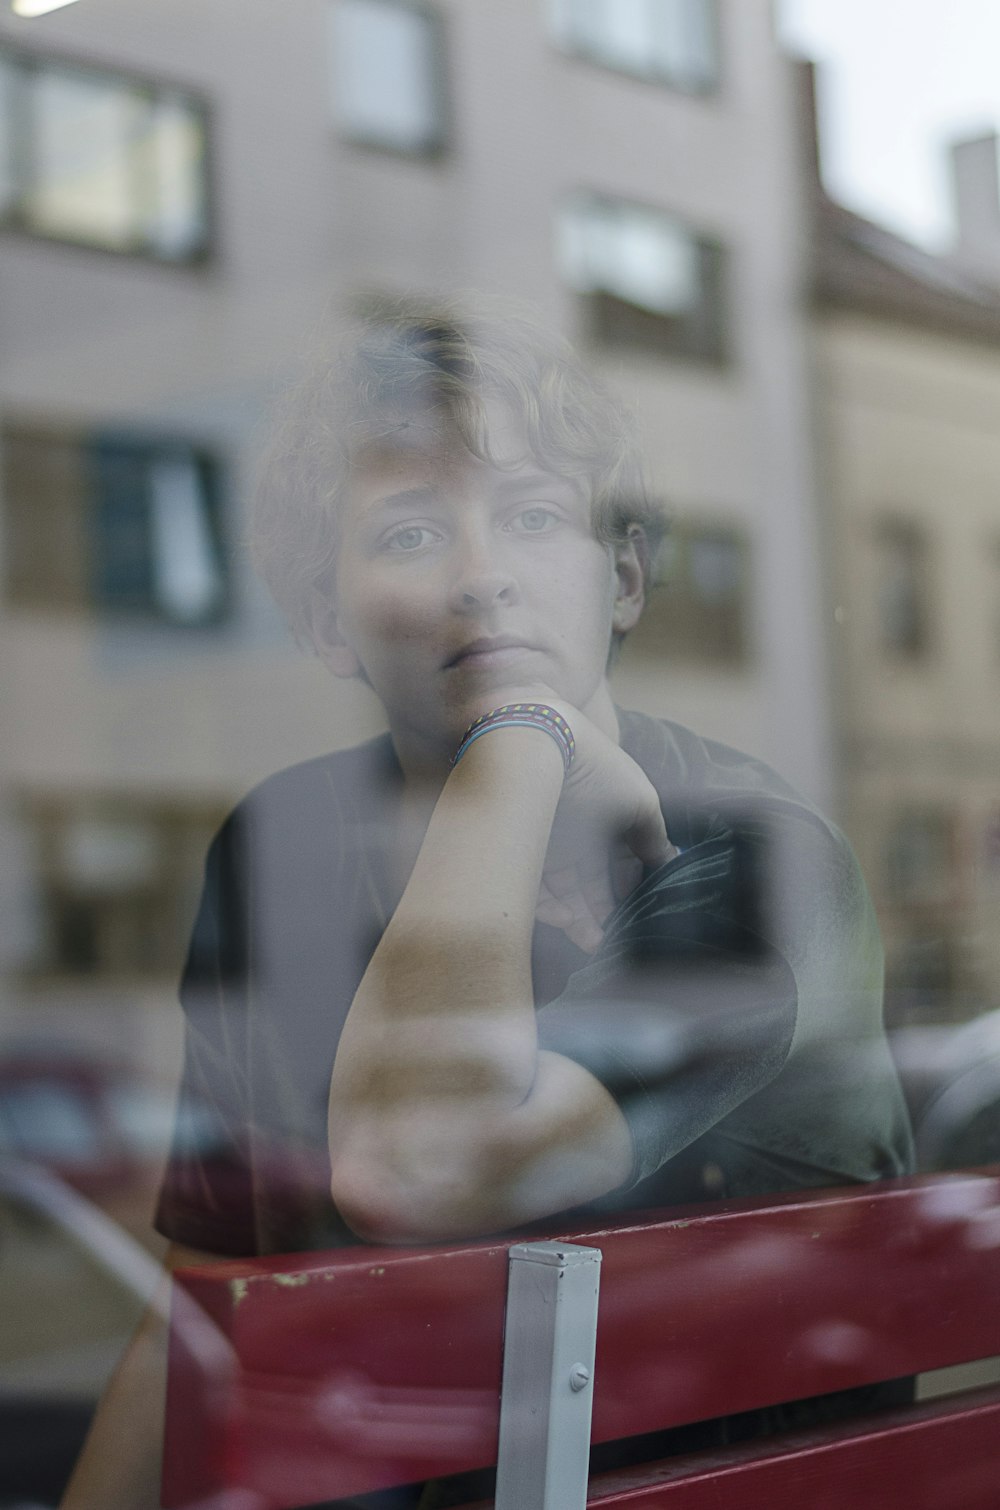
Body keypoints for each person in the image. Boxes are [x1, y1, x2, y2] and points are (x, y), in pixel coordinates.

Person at [61, 302, 913, 1508]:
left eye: (529, 516)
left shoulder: (747, 852)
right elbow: (206, 1304)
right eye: (410, 532)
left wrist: (520, 736)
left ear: (620, 578)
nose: (480, 575)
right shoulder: (282, 844)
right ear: (325, 622)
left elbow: (418, 1162)